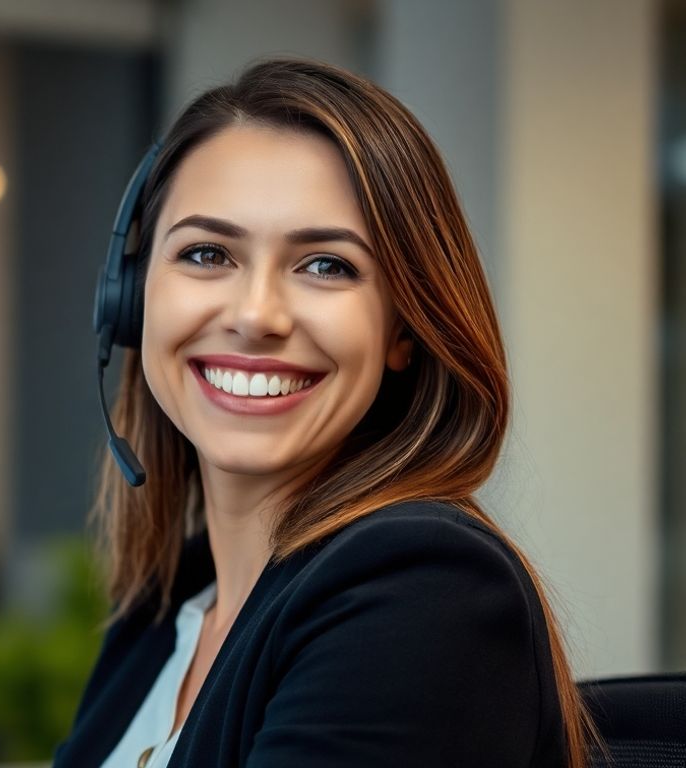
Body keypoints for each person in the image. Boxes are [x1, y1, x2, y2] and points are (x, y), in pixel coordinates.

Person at [58, 58, 601, 768]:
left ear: (404, 330)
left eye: (326, 266)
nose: (256, 316)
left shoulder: (422, 591)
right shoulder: (167, 609)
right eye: (206, 252)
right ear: (130, 301)